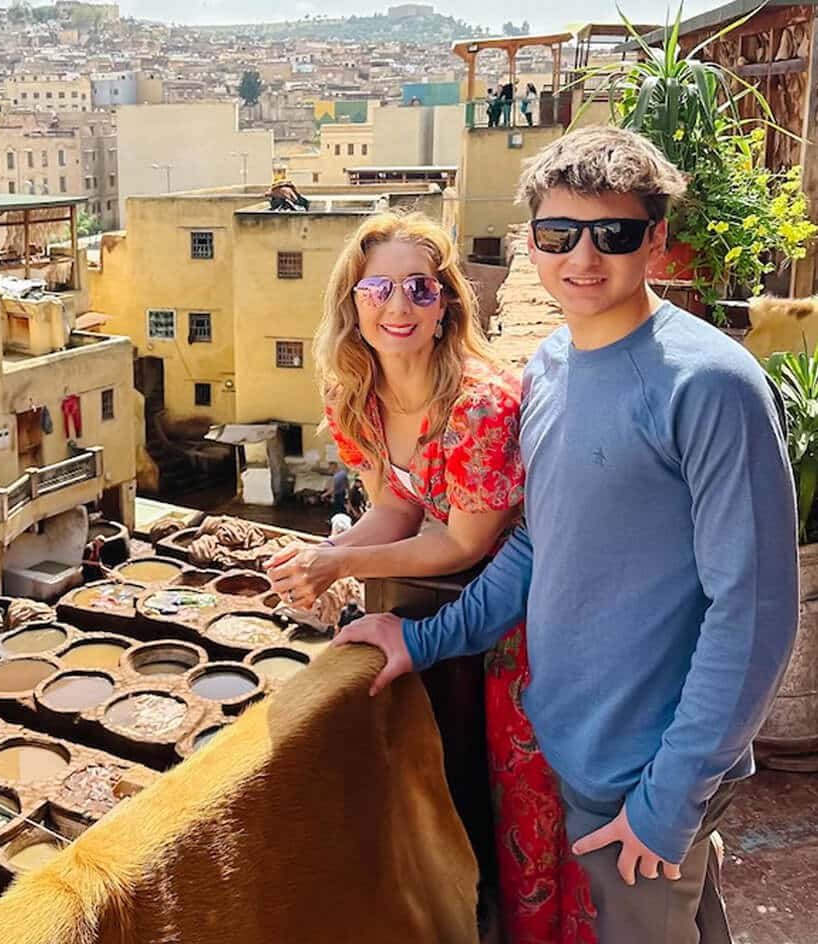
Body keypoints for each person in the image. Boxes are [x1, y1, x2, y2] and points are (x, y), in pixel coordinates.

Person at [336, 127, 799, 944]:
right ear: (533, 244)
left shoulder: (713, 386)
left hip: (650, 767)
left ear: (656, 240)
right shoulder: (549, 366)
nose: (584, 258)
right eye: (559, 235)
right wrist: (423, 639)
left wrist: (668, 800)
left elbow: (756, 611)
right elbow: (536, 545)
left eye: (614, 233)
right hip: (581, 747)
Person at [263, 210, 592, 943]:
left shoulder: (479, 402)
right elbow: (399, 505)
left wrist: (339, 560)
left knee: (521, 804)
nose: (398, 306)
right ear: (352, 303)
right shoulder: (359, 394)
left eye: (419, 287)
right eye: (377, 288)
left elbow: (462, 540)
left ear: (446, 303)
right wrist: (323, 562)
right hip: (447, 619)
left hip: (516, 624)